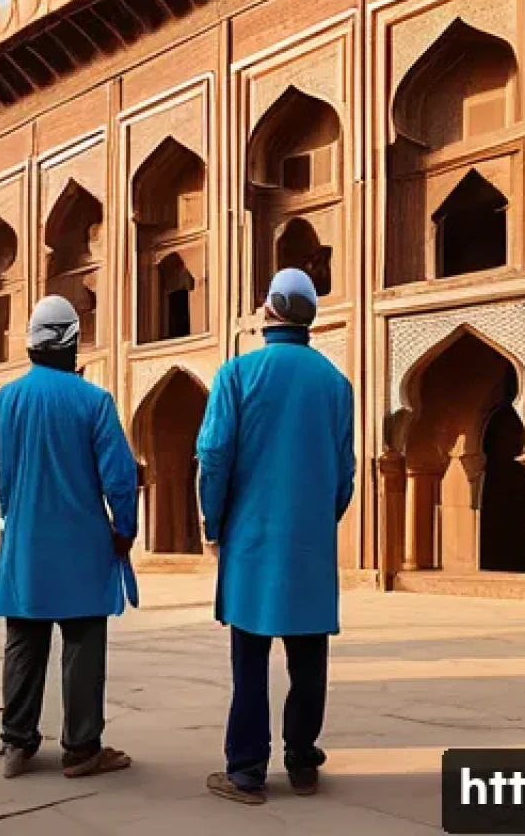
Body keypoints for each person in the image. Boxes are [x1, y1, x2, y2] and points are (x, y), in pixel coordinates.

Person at [197, 268, 355, 805]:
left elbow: (214, 456)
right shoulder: (335, 383)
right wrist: (317, 518)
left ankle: (245, 770)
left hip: (251, 541)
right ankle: (303, 762)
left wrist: (212, 523)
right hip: (308, 544)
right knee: (308, 661)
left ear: (267, 313)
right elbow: (344, 472)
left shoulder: (237, 374)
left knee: (250, 661)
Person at [0, 295, 139, 781]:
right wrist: (123, 530)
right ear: (73, 344)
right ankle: (82, 748)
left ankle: (16, 744)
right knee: (83, 644)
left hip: (25, 544)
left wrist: (18, 485)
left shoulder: (7, 399)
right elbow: (120, 479)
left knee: (23, 643)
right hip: (83, 546)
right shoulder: (93, 401)